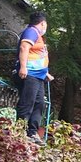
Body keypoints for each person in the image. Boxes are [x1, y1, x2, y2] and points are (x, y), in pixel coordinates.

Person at [15, 12, 53, 145]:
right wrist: (23, 67)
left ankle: (32, 132)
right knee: (27, 102)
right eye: (45, 24)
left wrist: (45, 73)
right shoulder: (31, 31)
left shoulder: (38, 36)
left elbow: (37, 55)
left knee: (39, 104)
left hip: (39, 76)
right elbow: (24, 47)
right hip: (30, 74)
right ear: (43, 23)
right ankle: (20, 131)